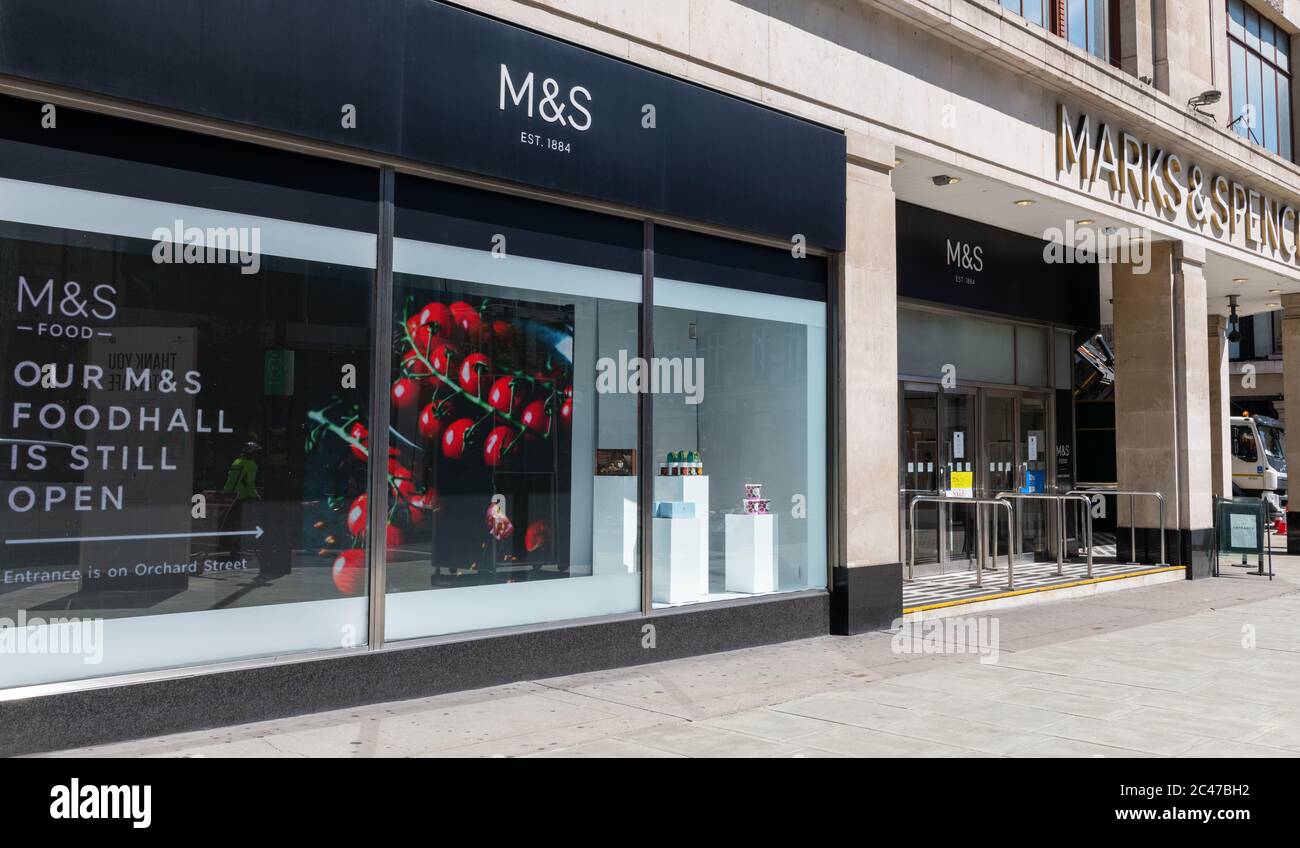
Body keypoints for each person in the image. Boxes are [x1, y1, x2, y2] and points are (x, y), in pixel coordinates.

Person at [221, 442, 262, 556]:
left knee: (233, 522)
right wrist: (256, 496)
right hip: (240, 497)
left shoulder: (237, 461)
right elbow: (249, 484)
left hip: (229, 496)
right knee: (243, 523)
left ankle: (233, 546)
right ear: (253, 453)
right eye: (256, 452)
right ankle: (237, 547)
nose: (257, 455)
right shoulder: (251, 465)